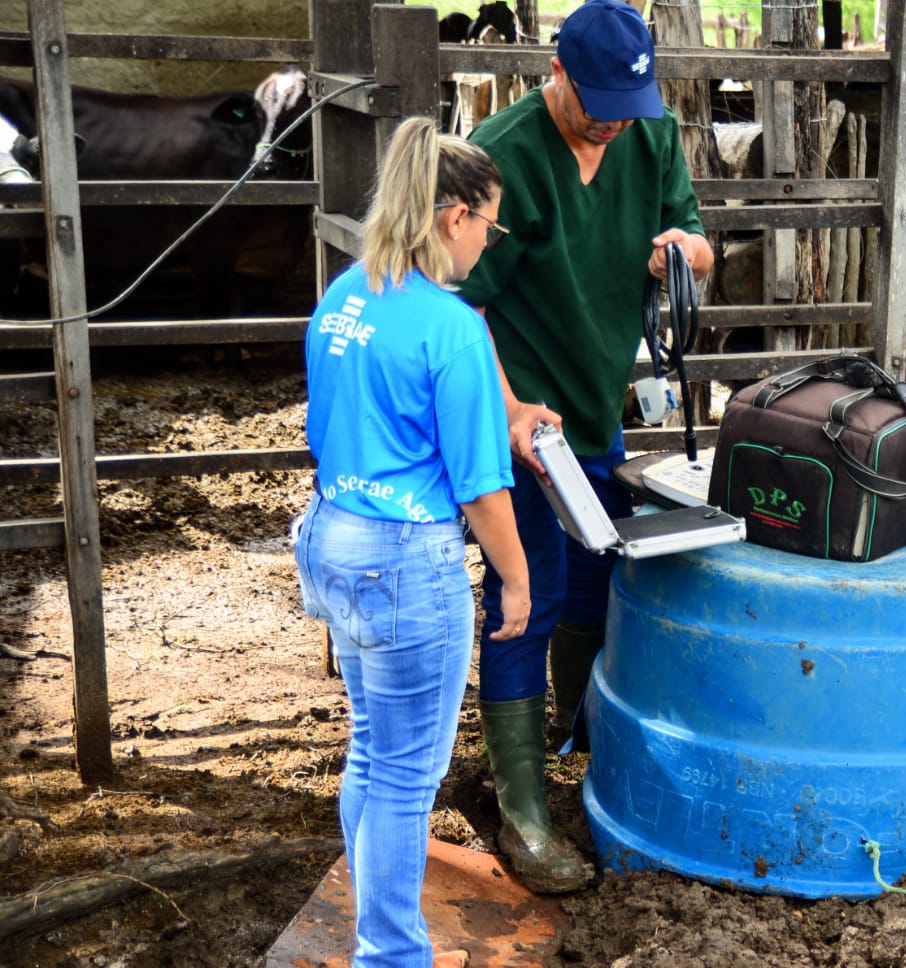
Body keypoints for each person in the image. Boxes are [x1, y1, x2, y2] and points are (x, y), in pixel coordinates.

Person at [455, 0, 713, 892]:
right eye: (594, 96)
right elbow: (459, 302)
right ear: (555, 71)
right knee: (529, 587)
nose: (610, 116)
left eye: (625, 100)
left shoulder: (649, 133)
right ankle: (522, 810)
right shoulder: (506, 153)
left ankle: (582, 743)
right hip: (520, 413)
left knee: (604, 573)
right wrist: (511, 407)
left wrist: (683, 250)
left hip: (595, 408)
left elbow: (695, 237)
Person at [293, 116, 529, 966]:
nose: (487, 247)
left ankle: (374, 932)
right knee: (404, 775)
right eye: (489, 226)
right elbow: (481, 483)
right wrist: (515, 577)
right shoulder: (453, 325)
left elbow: (329, 425)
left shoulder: (345, 296)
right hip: (404, 560)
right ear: (454, 216)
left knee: (373, 747)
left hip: (333, 535)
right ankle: (390, 955)